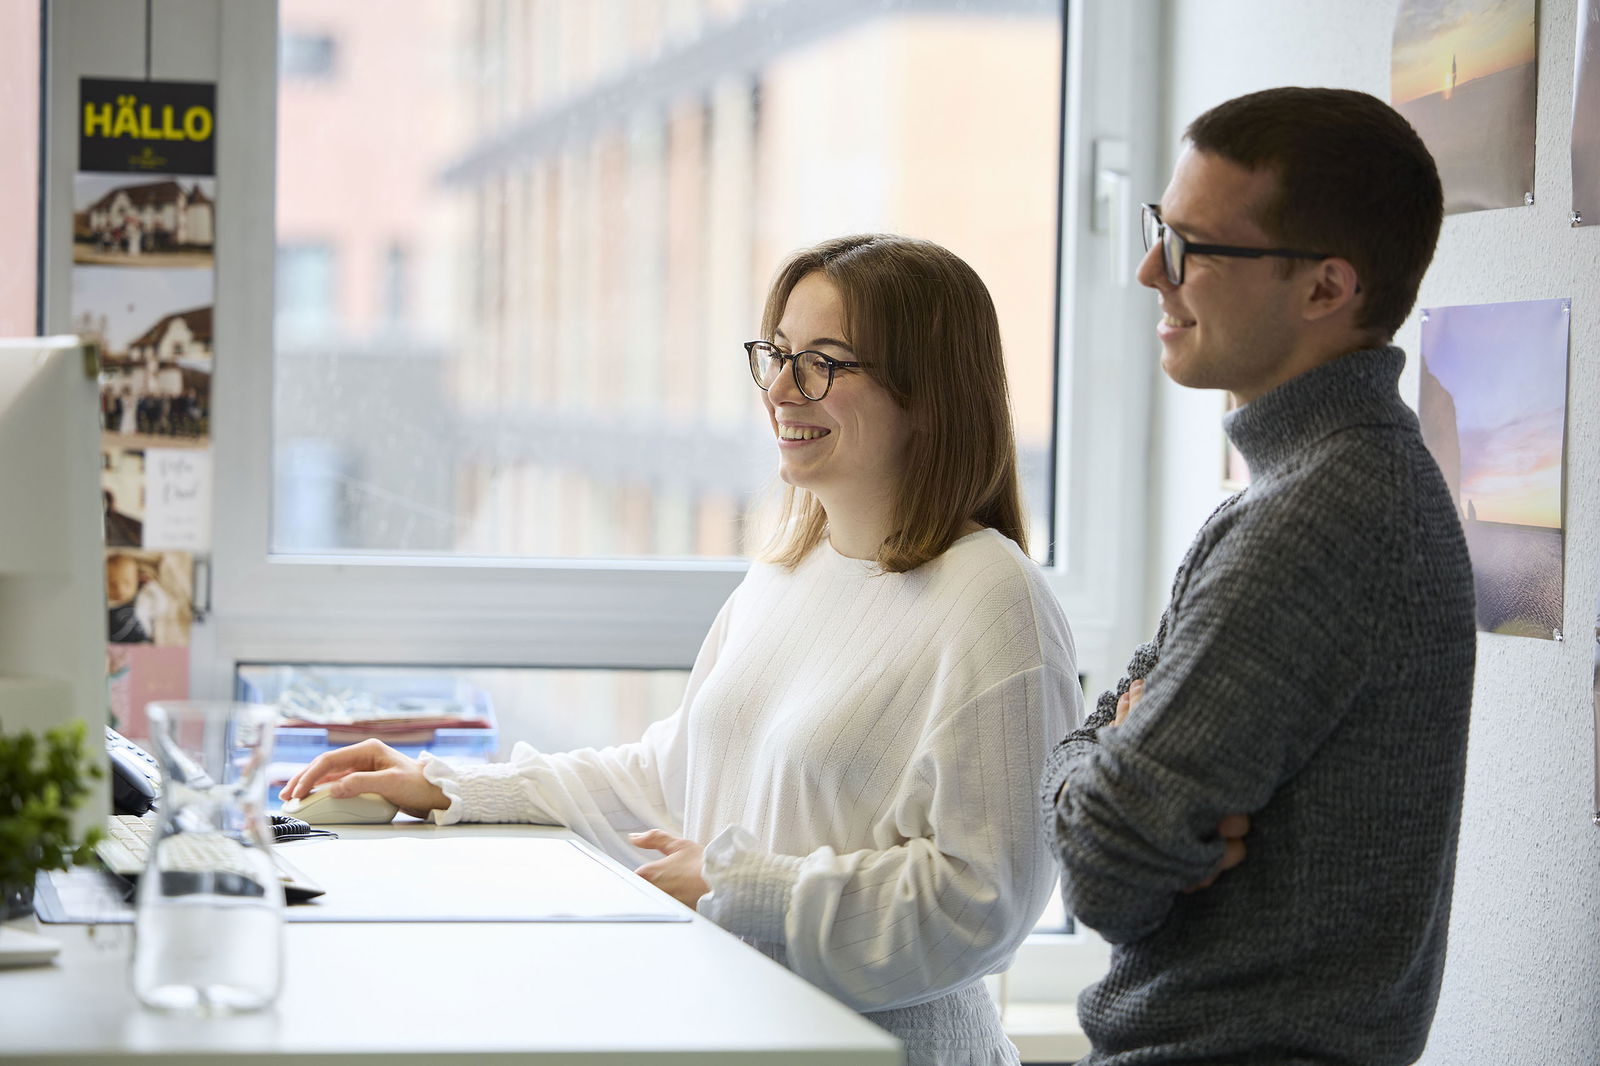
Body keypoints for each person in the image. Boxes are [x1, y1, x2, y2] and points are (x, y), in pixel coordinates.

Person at [283, 234, 1084, 1066]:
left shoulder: (995, 605)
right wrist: (447, 789)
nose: (779, 389)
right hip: (739, 1031)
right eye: (776, 354)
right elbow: (670, 777)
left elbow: (981, 905)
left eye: (822, 362)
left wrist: (740, 888)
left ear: (930, 393)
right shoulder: (792, 568)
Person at [1040, 87, 1476, 1066]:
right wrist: (1104, 752)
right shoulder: (1299, 495)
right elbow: (1105, 812)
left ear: (1326, 288)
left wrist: (1110, 745)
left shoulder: (1316, 522)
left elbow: (1101, 870)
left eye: (1194, 246)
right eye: (1161, 227)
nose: (1151, 269)